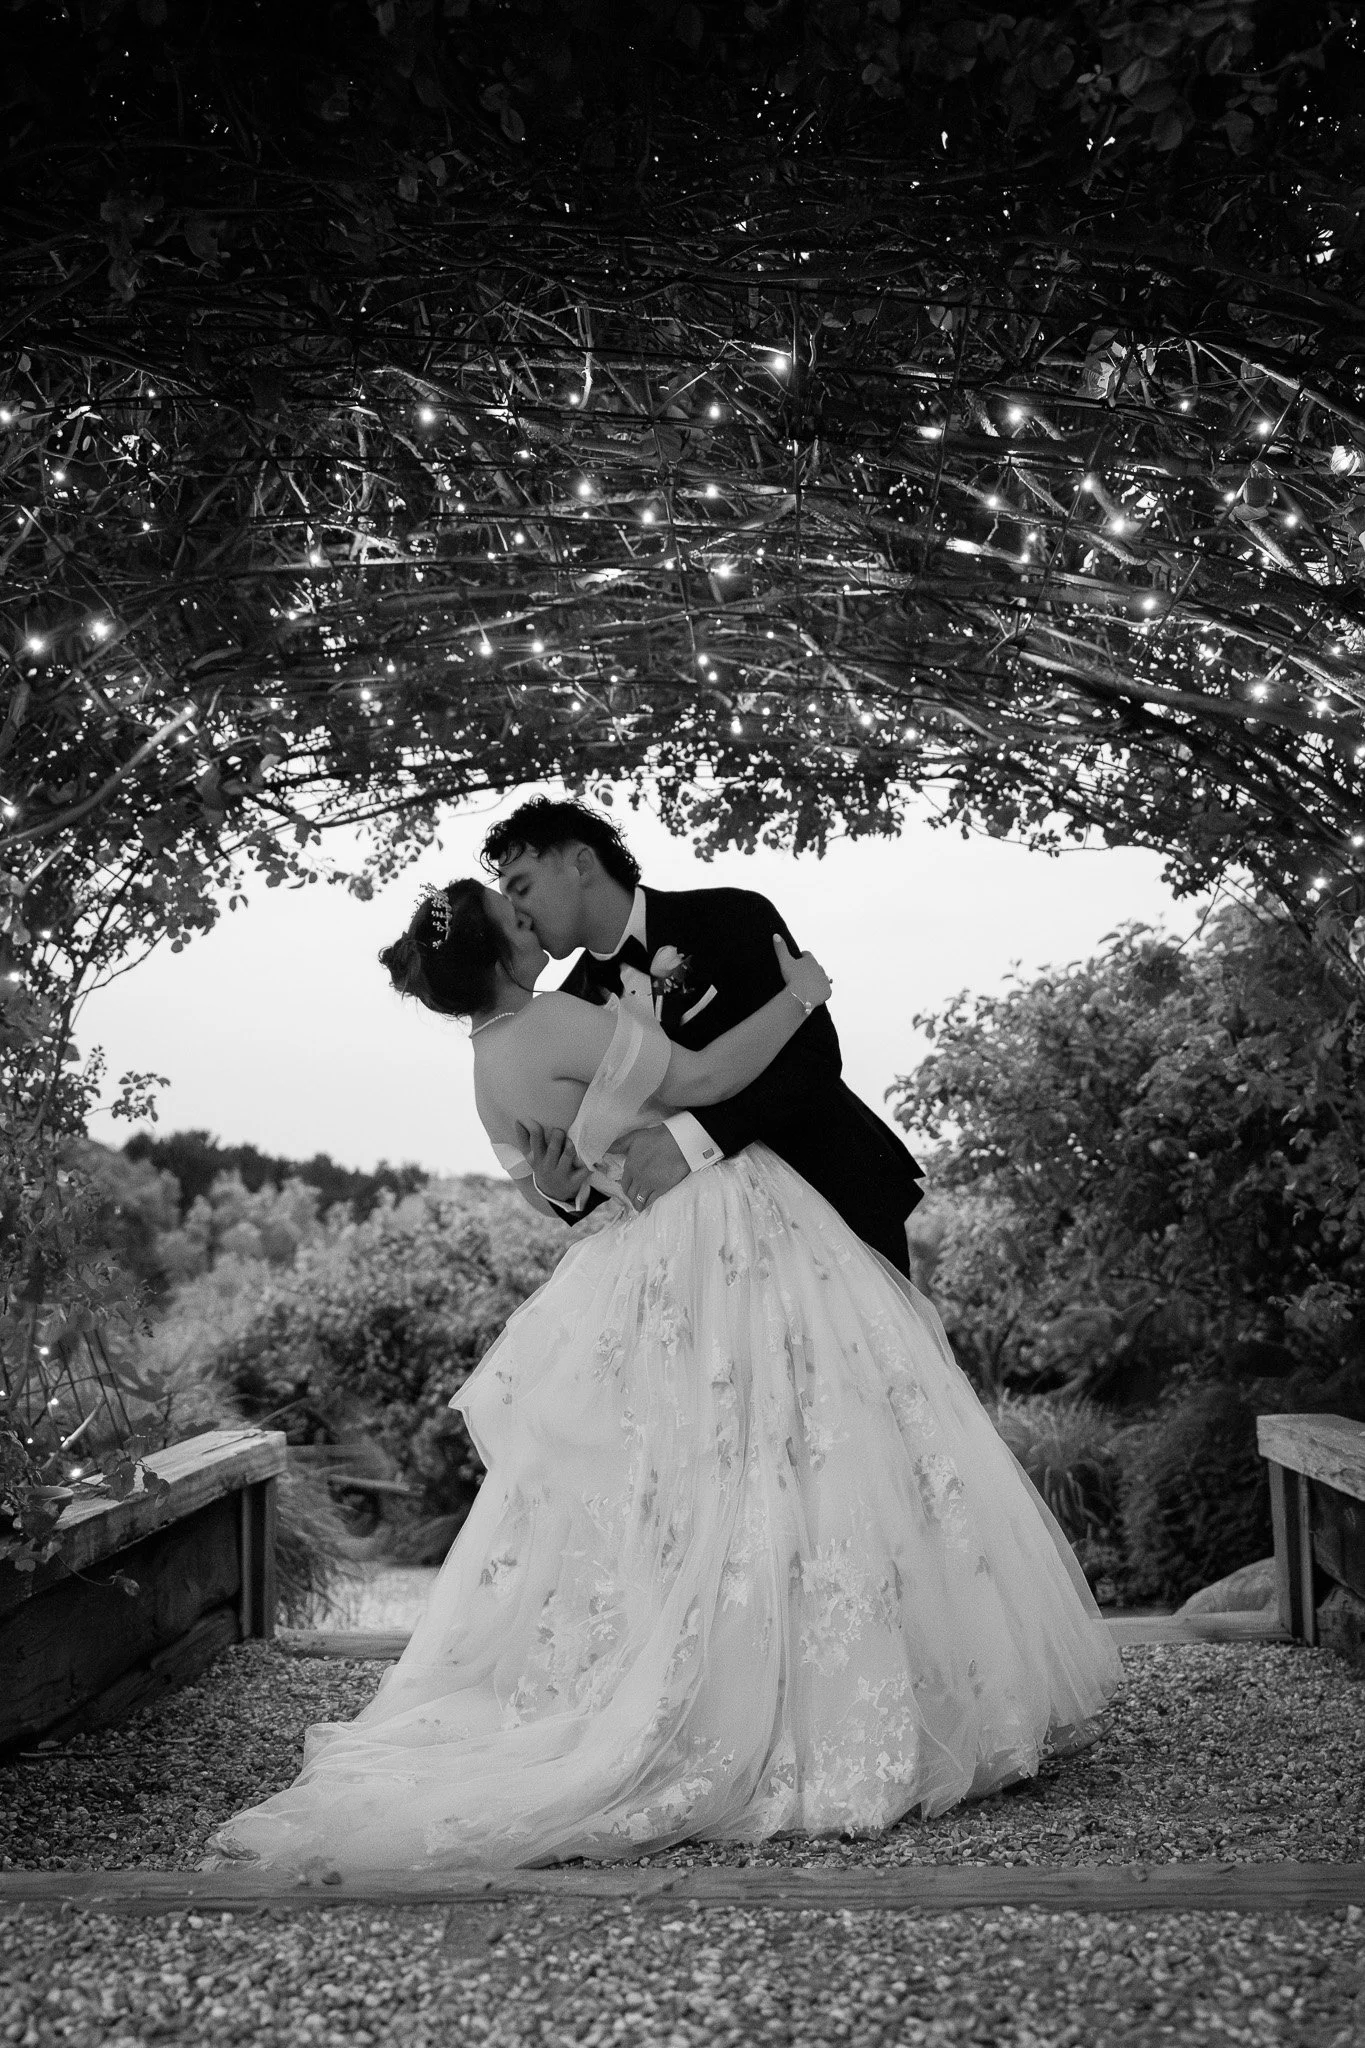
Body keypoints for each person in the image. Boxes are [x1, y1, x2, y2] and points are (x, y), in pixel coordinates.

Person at [205, 871, 1121, 1877]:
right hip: (715, 1228)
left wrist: (566, 1184)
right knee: (795, 1442)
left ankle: (734, 1675)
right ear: (498, 955)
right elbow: (705, 1081)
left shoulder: (485, 1068)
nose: (532, 925)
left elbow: (555, 1185)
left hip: (636, 1255)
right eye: (515, 919)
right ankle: (819, 1694)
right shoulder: (553, 1020)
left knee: (692, 1484)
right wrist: (801, 996)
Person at [483, 799, 927, 1276]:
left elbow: (814, 1059)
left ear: (582, 863)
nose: (519, 915)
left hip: (837, 1197)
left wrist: (689, 1140)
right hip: (710, 1261)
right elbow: (604, 1152)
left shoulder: (731, 916)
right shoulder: (571, 1009)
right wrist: (559, 1187)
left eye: (522, 888)